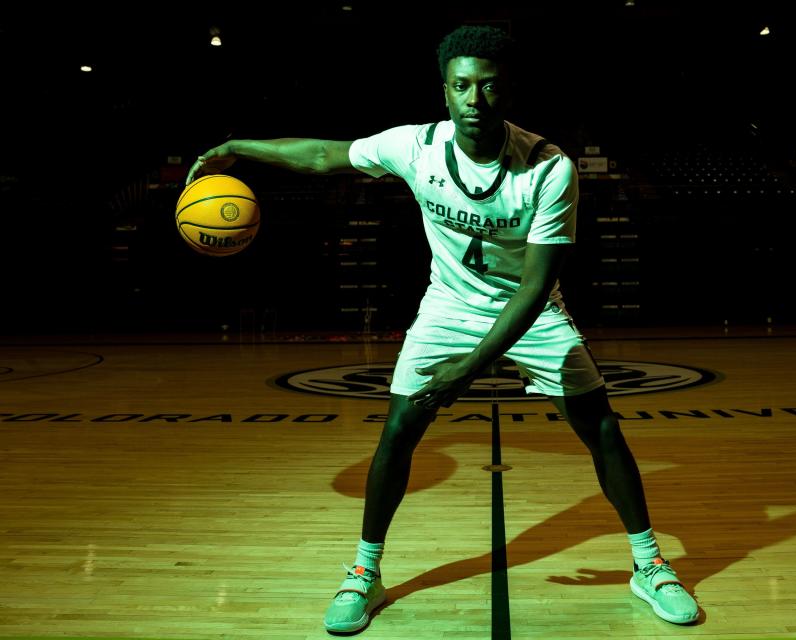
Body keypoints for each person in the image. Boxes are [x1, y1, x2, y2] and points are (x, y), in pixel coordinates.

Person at [186, 24, 699, 634]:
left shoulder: (549, 166)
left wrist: (469, 367)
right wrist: (240, 147)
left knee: (602, 428)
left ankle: (650, 565)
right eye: (462, 87)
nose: (475, 100)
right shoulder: (415, 146)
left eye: (488, 86)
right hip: (447, 309)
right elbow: (326, 154)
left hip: (531, 312)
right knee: (400, 427)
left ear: (509, 91)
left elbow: (534, 287)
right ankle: (364, 572)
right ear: (445, 92)